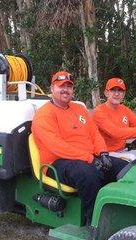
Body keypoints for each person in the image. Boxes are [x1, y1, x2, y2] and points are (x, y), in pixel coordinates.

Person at [31, 71, 126, 225]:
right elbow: (57, 146)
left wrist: (103, 154)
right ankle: (95, 222)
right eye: (61, 86)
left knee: (124, 168)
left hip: (85, 158)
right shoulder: (44, 115)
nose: (65, 90)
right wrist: (90, 159)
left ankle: (124, 212)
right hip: (57, 163)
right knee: (88, 173)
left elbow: (94, 134)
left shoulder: (79, 109)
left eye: (69, 86)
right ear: (52, 88)